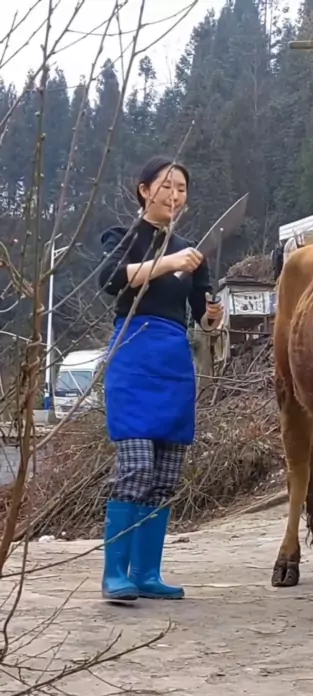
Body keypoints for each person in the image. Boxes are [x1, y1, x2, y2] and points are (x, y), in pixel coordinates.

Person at [98, 156, 224, 604]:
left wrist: (213, 315)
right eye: (167, 186)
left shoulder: (193, 253)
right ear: (144, 190)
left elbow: (202, 319)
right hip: (133, 354)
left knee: (166, 475)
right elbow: (111, 279)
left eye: (182, 188)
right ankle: (114, 574)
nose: (175, 195)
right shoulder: (125, 236)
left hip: (174, 361)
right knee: (136, 468)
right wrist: (168, 261)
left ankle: (146, 573)